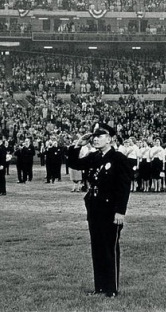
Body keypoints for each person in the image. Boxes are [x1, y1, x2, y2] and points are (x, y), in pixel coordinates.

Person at [67, 122, 133, 298]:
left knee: (109, 247)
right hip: (95, 208)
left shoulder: (119, 159)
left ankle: (111, 288)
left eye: (100, 136)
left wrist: (120, 211)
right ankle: (100, 287)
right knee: (97, 247)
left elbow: (123, 187)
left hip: (111, 209)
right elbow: (74, 163)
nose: (95, 139)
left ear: (110, 139)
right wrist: (77, 145)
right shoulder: (94, 157)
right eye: (94, 136)